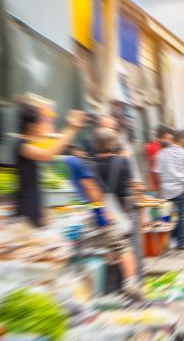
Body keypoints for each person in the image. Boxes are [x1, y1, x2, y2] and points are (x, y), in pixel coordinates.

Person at [15, 103, 85, 227]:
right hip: (27, 208)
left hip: (34, 205)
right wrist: (71, 128)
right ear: (32, 126)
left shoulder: (32, 141)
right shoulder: (23, 147)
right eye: (41, 121)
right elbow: (48, 154)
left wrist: (71, 128)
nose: (44, 124)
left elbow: (56, 140)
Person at [90, 127, 137, 293]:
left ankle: (107, 286)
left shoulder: (90, 165)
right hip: (121, 210)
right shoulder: (123, 161)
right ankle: (128, 284)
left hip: (100, 212)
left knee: (107, 247)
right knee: (124, 247)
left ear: (96, 144)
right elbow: (132, 184)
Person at [156, 129, 184, 250]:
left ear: (172, 140)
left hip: (166, 190)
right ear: (183, 141)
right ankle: (181, 242)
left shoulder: (161, 153)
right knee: (181, 216)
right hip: (180, 188)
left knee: (165, 216)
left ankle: (165, 241)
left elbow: (158, 173)